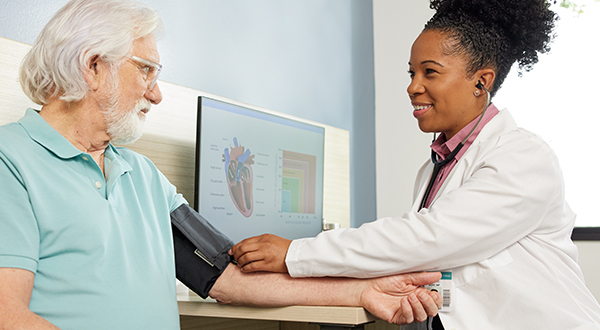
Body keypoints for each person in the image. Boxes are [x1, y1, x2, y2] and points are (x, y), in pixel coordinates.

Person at [0, 0, 443, 329]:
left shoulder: (143, 176)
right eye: (146, 71)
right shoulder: (10, 163)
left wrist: (360, 291)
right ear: (93, 66)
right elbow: (7, 313)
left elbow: (223, 278)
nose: (156, 94)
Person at [230, 0, 600, 329]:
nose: (412, 86)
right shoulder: (437, 166)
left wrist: (296, 253)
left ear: (481, 81)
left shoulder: (522, 156)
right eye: (411, 73)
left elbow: (428, 239)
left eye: (430, 72)